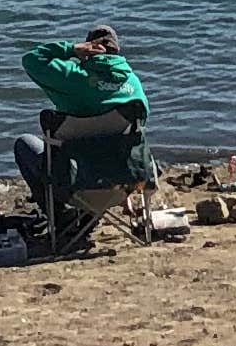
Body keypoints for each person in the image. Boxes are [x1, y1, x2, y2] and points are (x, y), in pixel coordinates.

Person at [14, 25, 150, 247]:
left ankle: (59, 218)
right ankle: (90, 215)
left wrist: (71, 49)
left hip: (72, 182)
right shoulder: (132, 84)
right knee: (117, 141)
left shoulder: (73, 78)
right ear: (117, 51)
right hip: (120, 180)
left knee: (24, 144)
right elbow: (135, 139)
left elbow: (31, 59)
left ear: (90, 49)